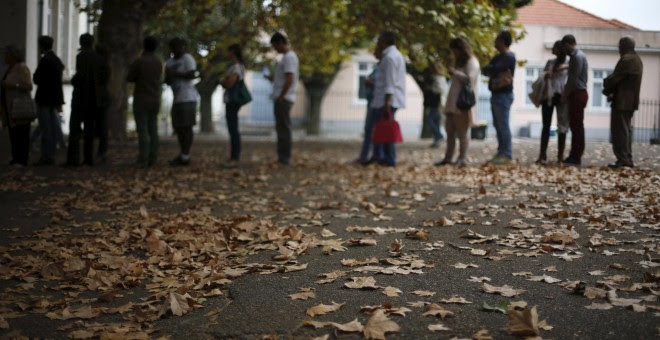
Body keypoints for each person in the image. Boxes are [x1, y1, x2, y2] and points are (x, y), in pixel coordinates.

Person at [436, 38, 480, 167]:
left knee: (462, 132)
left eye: (455, 51)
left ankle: (462, 158)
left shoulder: (472, 62)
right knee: (449, 130)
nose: (454, 54)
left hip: (462, 103)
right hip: (452, 101)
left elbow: (470, 79)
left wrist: (455, 73)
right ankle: (448, 157)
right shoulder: (460, 62)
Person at [603, 36, 643, 169]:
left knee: (621, 130)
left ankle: (624, 159)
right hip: (629, 100)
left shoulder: (627, 59)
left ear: (625, 46)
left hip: (623, 100)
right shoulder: (637, 59)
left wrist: (606, 83)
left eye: (620, 46)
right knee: (625, 129)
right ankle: (626, 158)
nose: (618, 48)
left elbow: (615, 78)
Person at [369, 31, 406, 167]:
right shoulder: (392, 56)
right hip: (386, 99)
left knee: (386, 129)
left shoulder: (390, 57)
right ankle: (383, 157)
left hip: (387, 100)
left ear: (383, 41)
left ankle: (388, 158)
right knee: (384, 128)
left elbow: (390, 82)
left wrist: (387, 102)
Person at [66, 33, 103, 167]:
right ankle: (88, 159)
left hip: (81, 98)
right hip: (93, 99)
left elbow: (80, 76)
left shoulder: (81, 56)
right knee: (89, 130)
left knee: (75, 129)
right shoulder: (98, 58)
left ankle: (73, 159)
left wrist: (74, 80)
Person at [127, 36, 163, 168]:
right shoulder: (158, 62)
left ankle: (143, 157)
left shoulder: (140, 61)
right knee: (153, 128)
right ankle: (153, 157)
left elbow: (130, 77)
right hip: (154, 98)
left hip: (141, 98)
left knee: (142, 129)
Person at [483, 30, 516, 165]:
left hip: (504, 96)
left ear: (502, 41)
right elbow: (486, 70)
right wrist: (492, 69)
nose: (494, 42)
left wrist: (493, 69)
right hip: (496, 94)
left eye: (497, 39)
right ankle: (501, 151)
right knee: (498, 124)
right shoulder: (498, 57)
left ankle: (507, 154)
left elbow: (492, 69)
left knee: (503, 125)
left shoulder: (509, 57)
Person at [165, 38, 198, 166]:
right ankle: (183, 154)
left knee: (187, 127)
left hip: (188, 97)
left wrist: (173, 73)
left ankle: (185, 155)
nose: (179, 49)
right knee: (178, 127)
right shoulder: (169, 61)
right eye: (175, 47)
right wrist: (168, 75)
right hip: (177, 98)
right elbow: (167, 81)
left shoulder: (188, 59)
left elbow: (192, 74)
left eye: (181, 46)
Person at [536, 40, 569, 165]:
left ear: (559, 50)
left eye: (554, 48)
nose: (552, 50)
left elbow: (571, 78)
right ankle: (542, 155)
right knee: (546, 125)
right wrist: (547, 75)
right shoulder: (550, 63)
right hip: (548, 97)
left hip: (562, 97)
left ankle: (560, 156)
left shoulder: (568, 63)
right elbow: (542, 76)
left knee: (562, 126)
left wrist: (566, 67)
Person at [33, 36, 65, 166]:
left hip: (44, 98)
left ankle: (47, 156)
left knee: (46, 128)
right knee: (51, 127)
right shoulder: (56, 60)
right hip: (54, 99)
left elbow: (37, 78)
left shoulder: (45, 60)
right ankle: (50, 154)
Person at [1, 46, 34, 167]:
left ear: (14, 56)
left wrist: (12, 85)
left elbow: (29, 86)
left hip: (19, 106)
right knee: (13, 132)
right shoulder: (10, 69)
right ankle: (16, 157)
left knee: (21, 133)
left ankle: (22, 159)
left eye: (7, 55)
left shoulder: (22, 68)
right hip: (10, 107)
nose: (5, 57)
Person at [269, 32, 299, 165]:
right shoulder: (288, 57)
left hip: (284, 98)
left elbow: (290, 78)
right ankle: (282, 156)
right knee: (282, 127)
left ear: (280, 43)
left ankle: (284, 157)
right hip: (284, 96)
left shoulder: (289, 57)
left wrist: (281, 96)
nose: (275, 49)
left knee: (283, 128)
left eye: (275, 46)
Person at [560, 34, 589, 167]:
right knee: (576, 126)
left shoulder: (576, 57)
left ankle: (575, 156)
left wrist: (564, 95)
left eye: (564, 47)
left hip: (577, 93)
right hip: (579, 93)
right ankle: (575, 154)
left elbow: (572, 80)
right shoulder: (578, 56)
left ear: (568, 44)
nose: (564, 51)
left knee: (576, 127)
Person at [220, 44, 247, 167]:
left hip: (232, 101)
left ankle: (234, 157)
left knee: (233, 129)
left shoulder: (236, 67)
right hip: (231, 101)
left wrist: (222, 82)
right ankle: (234, 156)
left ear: (233, 53)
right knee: (233, 128)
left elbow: (230, 83)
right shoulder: (238, 66)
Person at [356, 45, 382, 165]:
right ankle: (365, 156)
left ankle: (370, 156)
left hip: (376, 101)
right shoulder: (377, 67)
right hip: (372, 101)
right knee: (368, 129)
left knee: (372, 129)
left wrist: (370, 83)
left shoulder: (382, 67)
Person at [423, 65, 448, 148]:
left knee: (431, 120)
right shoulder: (436, 78)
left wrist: (430, 88)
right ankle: (437, 139)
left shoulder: (438, 78)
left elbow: (439, 91)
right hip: (434, 103)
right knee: (436, 121)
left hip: (437, 103)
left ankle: (439, 136)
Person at [94, 44, 111, 163]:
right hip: (104, 96)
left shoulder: (98, 66)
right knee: (103, 125)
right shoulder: (107, 66)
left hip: (98, 97)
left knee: (99, 125)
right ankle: (102, 151)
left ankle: (100, 151)